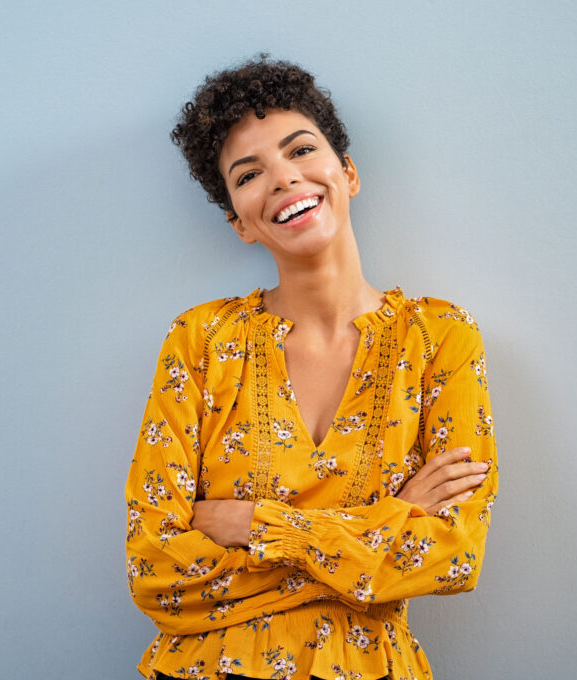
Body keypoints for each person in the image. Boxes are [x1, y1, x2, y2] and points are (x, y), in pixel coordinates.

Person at [124, 56, 498, 680]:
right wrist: (378, 534)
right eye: (249, 174)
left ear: (347, 173)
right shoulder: (201, 340)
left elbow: (453, 558)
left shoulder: (440, 339)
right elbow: (155, 572)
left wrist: (254, 525)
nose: (283, 178)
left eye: (301, 149)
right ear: (238, 221)